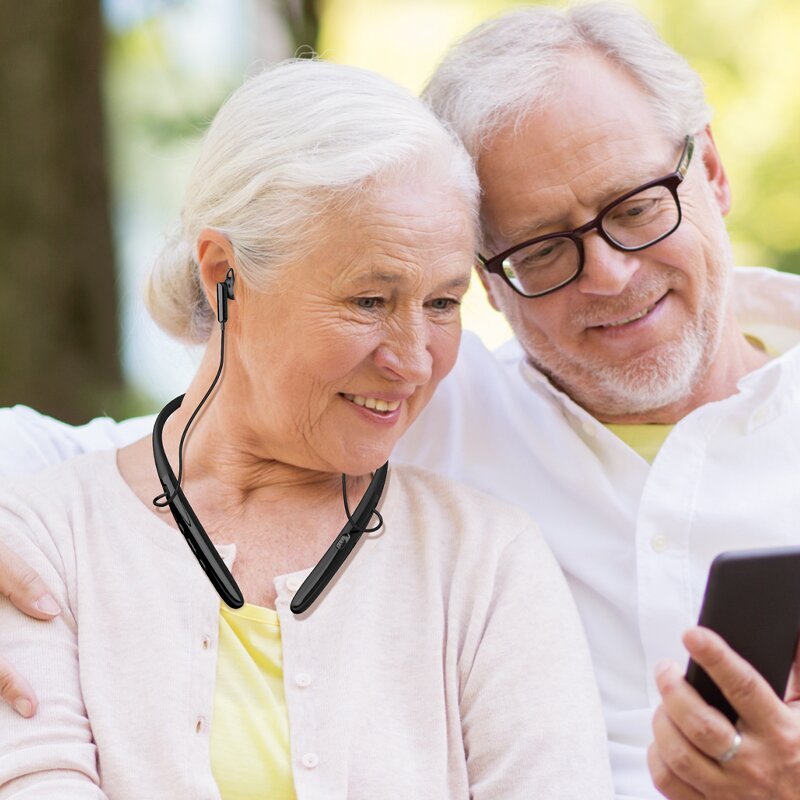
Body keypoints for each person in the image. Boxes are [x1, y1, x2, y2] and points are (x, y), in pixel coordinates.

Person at [2, 3, 798, 798]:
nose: (611, 274)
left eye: (637, 207)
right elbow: (120, 470)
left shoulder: (469, 526)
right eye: (544, 250)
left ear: (713, 170)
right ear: (491, 280)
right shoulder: (417, 408)